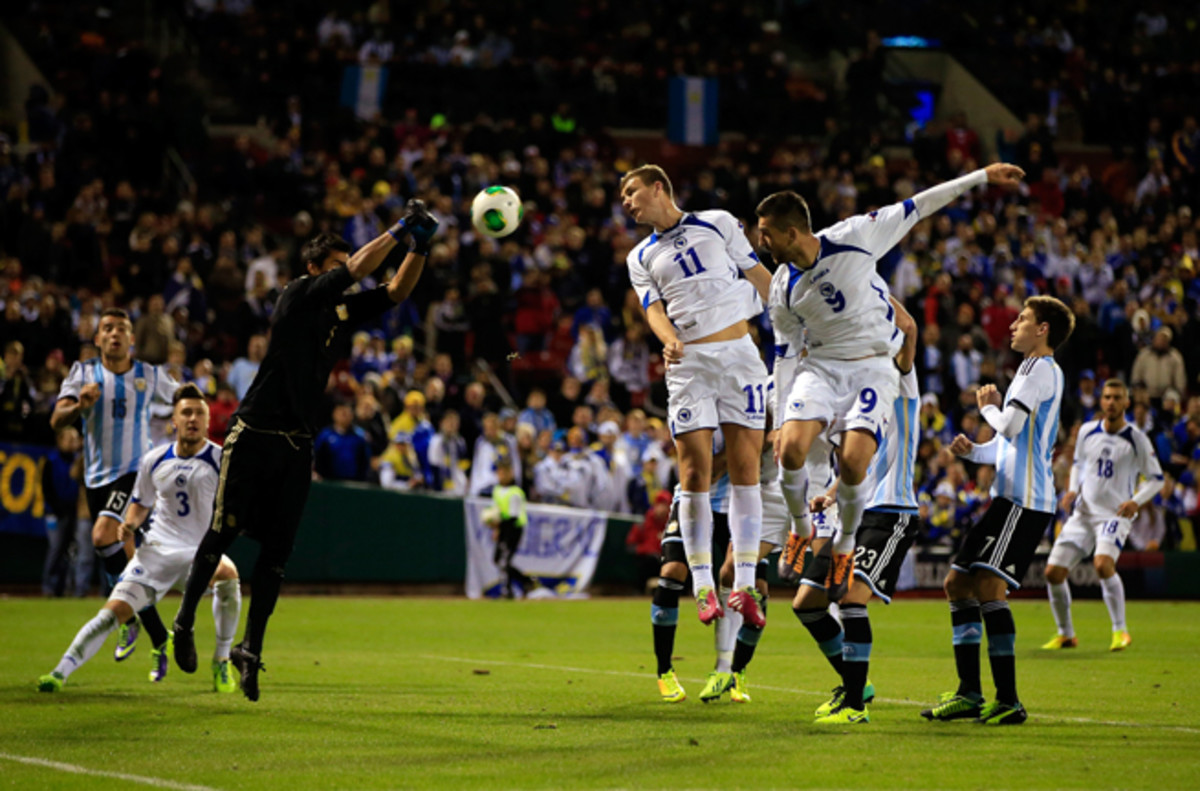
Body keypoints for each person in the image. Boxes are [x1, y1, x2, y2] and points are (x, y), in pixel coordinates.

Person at [171, 200, 439, 701]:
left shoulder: (339, 309)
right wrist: (401, 228)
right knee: (222, 531)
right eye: (336, 267)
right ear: (314, 269)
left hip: (296, 443)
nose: (347, 275)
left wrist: (420, 248)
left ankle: (250, 648)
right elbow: (359, 267)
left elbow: (397, 289)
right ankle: (183, 623)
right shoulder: (295, 295)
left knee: (277, 554)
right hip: (253, 431)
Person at [759, 162, 1027, 604]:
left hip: (872, 366)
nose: (760, 241)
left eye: (766, 233)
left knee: (853, 463)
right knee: (789, 448)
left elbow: (918, 206)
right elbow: (785, 353)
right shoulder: (782, 287)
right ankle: (801, 531)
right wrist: (780, 413)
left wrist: (980, 177)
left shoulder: (853, 237)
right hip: (821, 366)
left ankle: (845, 543)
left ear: (791, 232)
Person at [621, 164, 772, 628]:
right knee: (693, 476)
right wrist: (667, 338)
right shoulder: (639, 256)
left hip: (741, 357)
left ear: (658, 187)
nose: (626, 201)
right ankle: (704, 585)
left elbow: (761, 278)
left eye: (632, 191)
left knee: (747, 472)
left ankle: (744, 584)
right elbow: (654, 311)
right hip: (689, 367)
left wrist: (796, 327)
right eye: (623, 196)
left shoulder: (719, 222)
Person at [922, 296, 1074, 725]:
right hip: (1010, 497)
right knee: (957, 584)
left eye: (1023, 320)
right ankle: (970, 692)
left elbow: (1007, 425)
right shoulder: (1032, 371)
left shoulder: (1039, 369)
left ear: (1042, 329)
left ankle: (1007, 699)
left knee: (989, 588)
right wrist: (975, 452)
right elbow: (1010, 443)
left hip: (1025, 501)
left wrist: (986, 403)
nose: (1013, 326)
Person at [38, 385, 242, 693]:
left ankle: (222, 660)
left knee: (229, 577)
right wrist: (129, 524)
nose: (192, 419)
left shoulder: (221, 459)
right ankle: (58, 673)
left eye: (199, 413)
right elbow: (139, 504)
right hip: (156, 553)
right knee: (111, 613)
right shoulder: (154, 459)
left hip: (199, 554)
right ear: (174, 419)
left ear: (207, 419)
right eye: (186, 412)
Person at [789, 303, 920, 725]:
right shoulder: (861, 389)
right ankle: (854, 684)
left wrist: (863, 281)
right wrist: (831, 493)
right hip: (856, 509)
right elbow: (861, 463)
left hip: (891, 511)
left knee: (849, 598)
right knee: (807, 603)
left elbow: (909, 326)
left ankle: (854, 707)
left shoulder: (897, 375)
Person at [50, 308, 179, 662]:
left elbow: (182, 399)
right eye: (107, 328)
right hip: (96, 478)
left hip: (135, 472)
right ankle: (150, 629)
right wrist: (79, 405)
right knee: (122, 560)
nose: (114, 334)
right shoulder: (83, 373)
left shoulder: (150, 375)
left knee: (102, 536)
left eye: (122, 329)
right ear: (97, 338)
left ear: (132, 339)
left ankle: (132, 620)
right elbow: (57, 420)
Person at [1043, 379, 1164, 652]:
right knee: (1053, 572)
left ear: (1126, 403)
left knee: (1102, 565)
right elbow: (1078, 464)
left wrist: (1136, 501)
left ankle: (1120, 630)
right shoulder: (1087, 431)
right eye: (1107, 397)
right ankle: (1066, 634)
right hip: (1084, 513)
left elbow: (1156, 479)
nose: (1111, 402)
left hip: (1114, 514)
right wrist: (1072, 491)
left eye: (1116, 398)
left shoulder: (1137, 439)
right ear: (1101, 401)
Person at [482, 457, 533, 599]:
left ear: (510, 473)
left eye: (504, 472)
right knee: (498, 559)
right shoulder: (497, 490)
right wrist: (494, 527)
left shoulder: (515, 492)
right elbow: (496, 509)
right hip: (504, 528)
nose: (501, 475)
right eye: (499, 471)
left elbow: (513, 517)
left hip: (514, 529)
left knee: (504, 561)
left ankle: (508, 591)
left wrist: (497, 525)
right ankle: (526, 581)